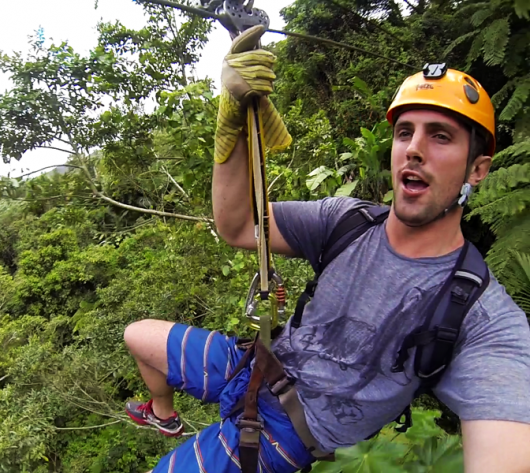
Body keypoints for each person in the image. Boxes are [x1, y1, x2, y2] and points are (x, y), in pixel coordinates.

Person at [124, 26, 530, 473]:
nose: (413, 149)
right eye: (404, 132)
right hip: (258, 364)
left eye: (440, 136)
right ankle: (163, 415)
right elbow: (239, 225)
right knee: (137, 335)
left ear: (478, 168)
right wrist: (234, 119)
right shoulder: (348, 222)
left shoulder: (481, 316)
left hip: (285, 431)